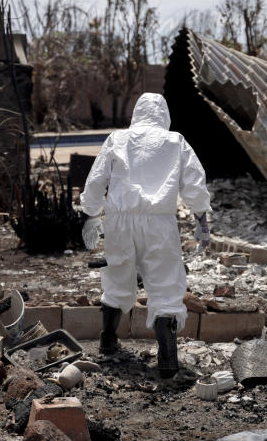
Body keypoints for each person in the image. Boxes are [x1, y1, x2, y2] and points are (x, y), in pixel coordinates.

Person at [80, 93, 211, 378]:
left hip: (119, 221)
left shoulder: (117, 139)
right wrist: (201, 217)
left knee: (117, 277)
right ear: (163, 114)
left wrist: (90, 214)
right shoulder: (176, 141)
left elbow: (96, 179)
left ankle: (108, 340)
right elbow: (195, 183)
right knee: (165, 285)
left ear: (137, 112)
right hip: (159, 224)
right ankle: (167, 359)